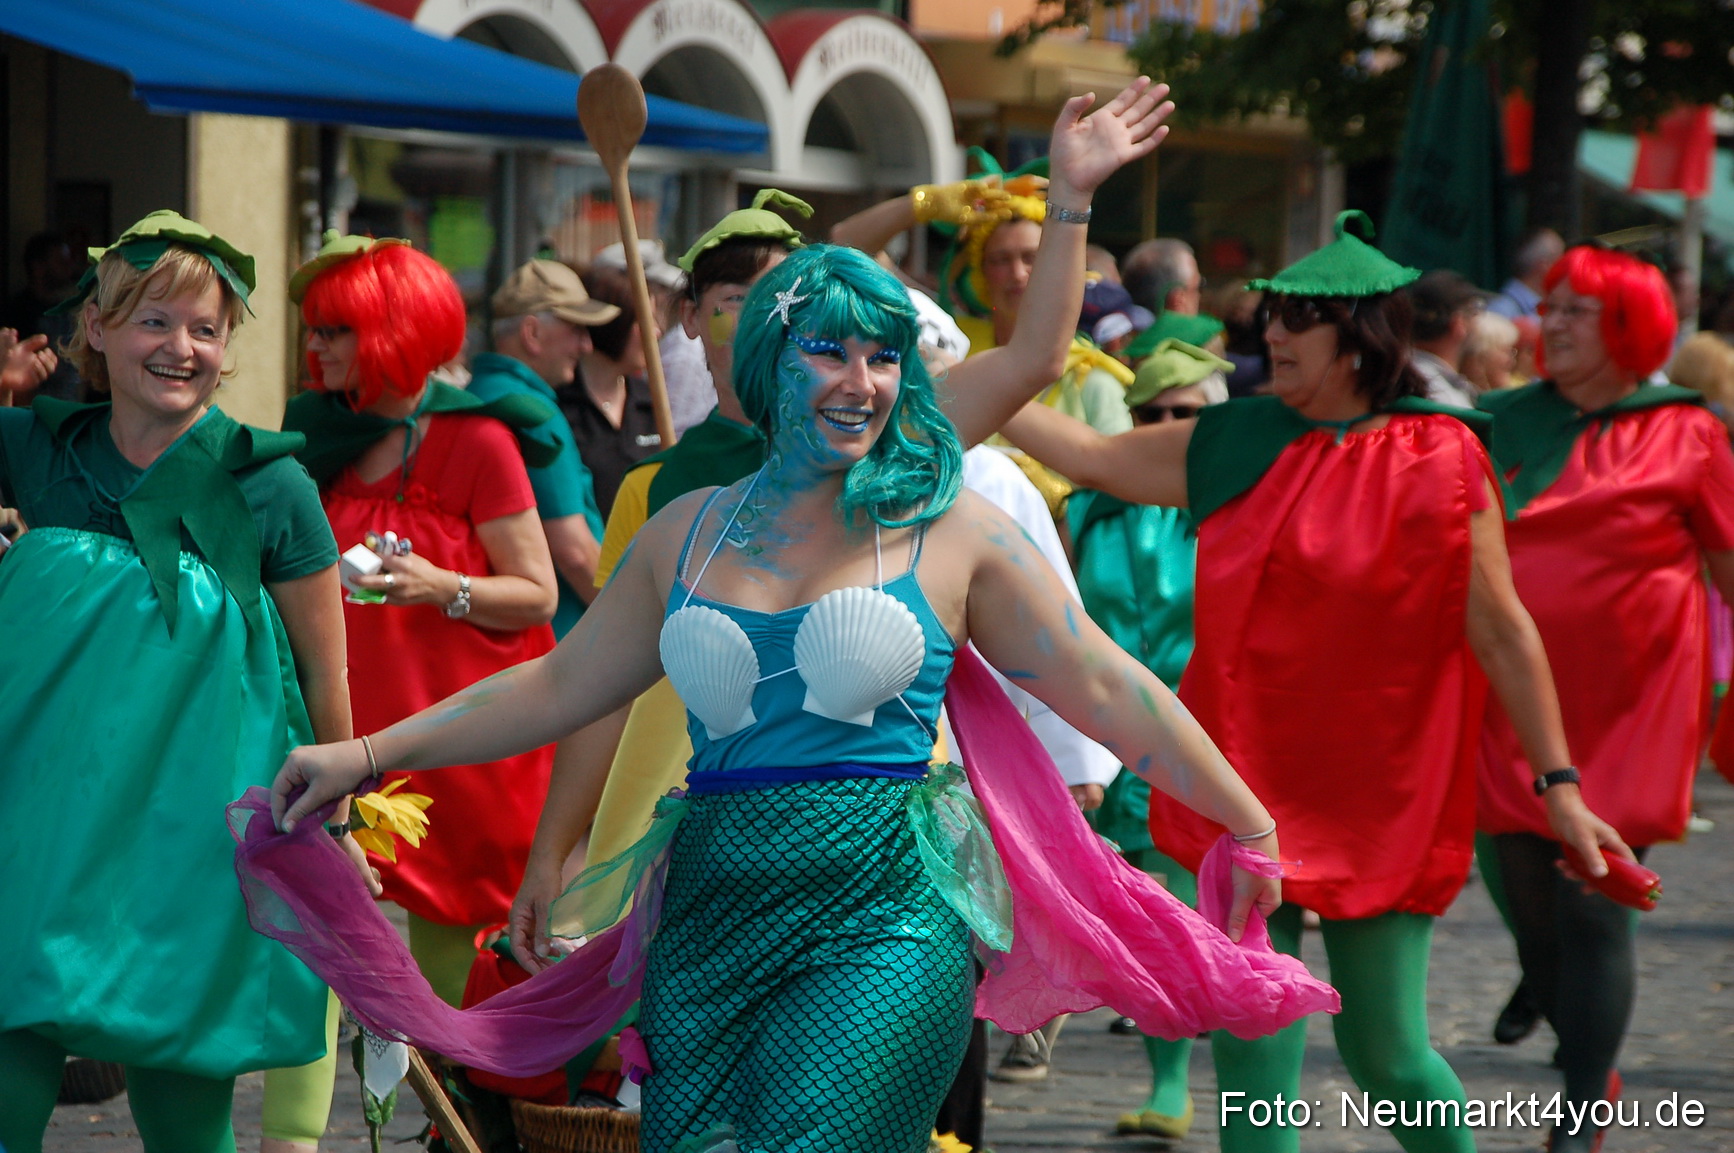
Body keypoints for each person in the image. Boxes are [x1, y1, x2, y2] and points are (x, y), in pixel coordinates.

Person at [265, 234, 1337, 1153]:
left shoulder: (951, 527)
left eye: (883, 356)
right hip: (709, 908)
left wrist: (1246, 821)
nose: (860, 380)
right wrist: (359, 756)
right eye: (829, 351)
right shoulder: (691, 527)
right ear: (773, 365)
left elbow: (1103, 679)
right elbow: (557, 685)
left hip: (886, 910)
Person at [1000, 210, 1627, 1153]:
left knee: (1388, 1055)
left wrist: (1562, 788)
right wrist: (954, 375)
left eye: (1297, 323)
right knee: (1253, 1060)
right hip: (1242, 793)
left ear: (1363, 337)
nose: (1272, 338)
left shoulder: (1446, 455)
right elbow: (1085, 455)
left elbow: (1502, 631)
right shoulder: (1231, 440)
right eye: (1270, 322)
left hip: (1380, 802)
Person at [0, 211, 348, 1152]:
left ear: (228, 348)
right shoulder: (37, 449)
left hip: (194, 822)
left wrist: (339, 807)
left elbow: (322, 666)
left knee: (185, 1091)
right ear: (98, 332)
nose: (180, 346)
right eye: (154, 321)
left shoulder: (272, 484)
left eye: (205, 327)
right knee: (9, 1050)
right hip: (46, 817)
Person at [1475, 245, 1734, 1153]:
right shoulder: (1499, 421)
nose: (1552, 322)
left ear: (1629, 324)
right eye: (1548, 307)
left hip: (1639, 704)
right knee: (1529, 908)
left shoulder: (1689, 430)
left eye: (1577, 310)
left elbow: (1731, 568)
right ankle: (1571, 1021)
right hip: (1512, 699)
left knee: (1594, 902)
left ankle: (1580, 1114)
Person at [283, 233, 560, 1008]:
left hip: (454, 758)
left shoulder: (479, 439)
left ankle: (467, 1128)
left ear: (389, 333)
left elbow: (537, 592)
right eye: (315, 326)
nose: (314, 344)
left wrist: (444, 584)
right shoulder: (314, 437)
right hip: (342, 741)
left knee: (460, 988)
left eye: (334, 329)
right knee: (315, 981)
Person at [1068, 338, 1231, 1141]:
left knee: (1182, 909)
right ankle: (1170, 1070)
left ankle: (1180, 1083)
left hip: (1203, 736)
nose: (1166, 426)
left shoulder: (1236, 508)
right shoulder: (1083, 508)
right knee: (1139, 915)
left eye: (1187, 414)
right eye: (1150, 412)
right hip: (1106, 742)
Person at [473, 258, 617, 637]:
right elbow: (572, 550)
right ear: (532, 333)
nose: (586, 345)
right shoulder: (532, 412)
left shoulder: (474, 396)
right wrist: (632, 628)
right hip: (551, 642)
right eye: (576, 329)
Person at [559, 265, 665, 517]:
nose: (657, 332)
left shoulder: (653, 401)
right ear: (612, 324)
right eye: (645, 321)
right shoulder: (560, 407)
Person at [1121, 237, 1226, 360]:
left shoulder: (1113, 348)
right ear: (1178, 300)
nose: (1200, 296)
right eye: (1199, 286)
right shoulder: (1199, 345)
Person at [1406, 269, 1484, 407]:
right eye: (1475, 312)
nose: (1479, 321)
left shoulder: (1396, 374)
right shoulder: (1444, 395)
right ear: (1458, 324)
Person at [1488, 227, 1565, 321]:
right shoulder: (1502, 311)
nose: (1565, 268)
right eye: (1561, 260)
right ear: (1545, 265)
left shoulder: (1548, 306)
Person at [1461, 309, 1522, 395]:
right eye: (1506, 351)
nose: (1511, 361)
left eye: (1512, 351)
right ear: (1479, 357)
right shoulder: (1459, 398)